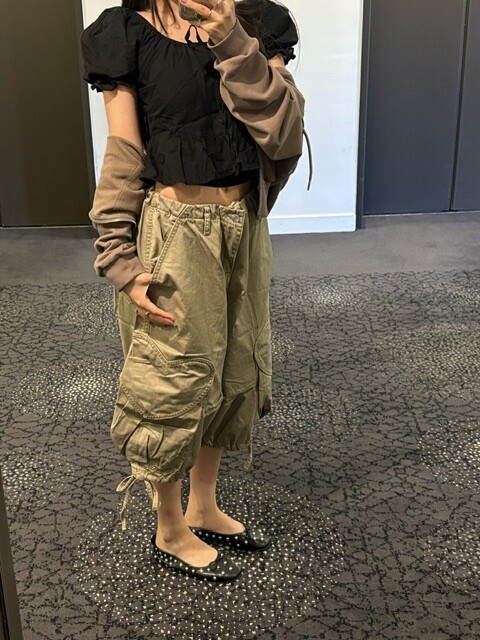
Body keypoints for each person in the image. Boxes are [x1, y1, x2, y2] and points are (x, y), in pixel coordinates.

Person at [80, 0, 309, 582]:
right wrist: (118, 251)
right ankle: (169, 525)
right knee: (173, 376)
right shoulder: (125, 34)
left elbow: (283, 133)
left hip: (244, 224)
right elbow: (125, 149)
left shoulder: (261, 23)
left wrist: (232, 39)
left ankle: (203, 505)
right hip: (174, 230)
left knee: (234, 368)